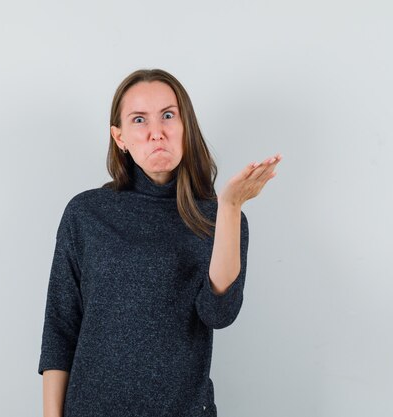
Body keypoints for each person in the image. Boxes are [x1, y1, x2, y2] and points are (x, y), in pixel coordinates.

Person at [38, 68, 282, 417]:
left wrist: (229, 207)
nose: (157, 133)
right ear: (119, 137)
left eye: (168, 115)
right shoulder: (87, 214)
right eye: (139, 120)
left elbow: (219, 313)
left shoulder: (220, 219)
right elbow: (60, 330)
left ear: (186, 127)